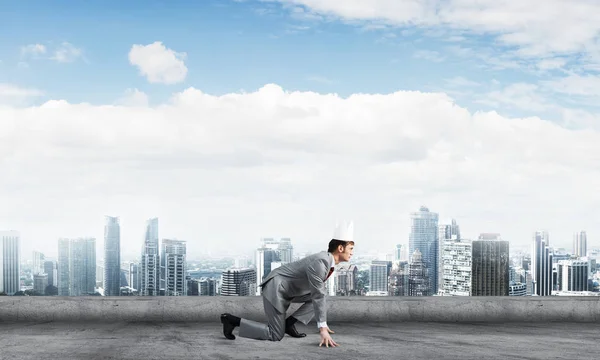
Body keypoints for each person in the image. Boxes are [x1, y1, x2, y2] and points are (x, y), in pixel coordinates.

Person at [220, 221, 355, 348]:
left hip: (289, 290)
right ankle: (232, 321)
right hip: (276, 288)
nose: (352, 252)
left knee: (321, 297)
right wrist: (323, 328)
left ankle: (288, 324)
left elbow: (319, 296)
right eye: (351, 248)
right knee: (275, 335)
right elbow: (317, 294)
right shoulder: (321, 262)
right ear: (340, 248)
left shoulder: (327, 262)